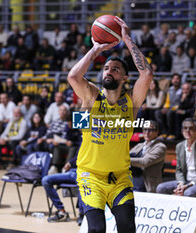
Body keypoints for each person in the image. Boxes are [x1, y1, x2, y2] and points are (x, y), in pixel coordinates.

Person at [67, 16, 153, 233]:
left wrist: (126, 39)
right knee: (97, 230)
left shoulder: (131, 101)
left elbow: (147, 73)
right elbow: (74, 76)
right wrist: (96, 49)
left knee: (127, 228)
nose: (109, 71)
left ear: (124, 78)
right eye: (106, 68)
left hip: (120, 178)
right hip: (90, 177)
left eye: (115, 69)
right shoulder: (92, 96)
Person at [156, 118, 196, 197]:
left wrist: (189, 185)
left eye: (191, 128)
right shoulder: (179, 146)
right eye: (185, 128)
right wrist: (181, 183)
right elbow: (179, 170)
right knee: (161, 188)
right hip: (185, 181)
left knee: (188, 193)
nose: (187, 130)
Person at [42, 153, 84, 225]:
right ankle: (61, 211)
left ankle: (82, 215)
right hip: (73, 172)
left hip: (85, 173)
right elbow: (78, 155)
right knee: (46, 180)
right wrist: (70, 163)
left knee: (82, 184)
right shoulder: (83, 142)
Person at [129, 121, 166, 192]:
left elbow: (144, 162)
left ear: (157, 132)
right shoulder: (139, 146)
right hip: (132, 182)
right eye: (145, 129)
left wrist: (124, 159)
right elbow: (127, 156)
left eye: (150, 130)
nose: (147, 132)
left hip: (146, 185)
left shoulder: (160, 147)